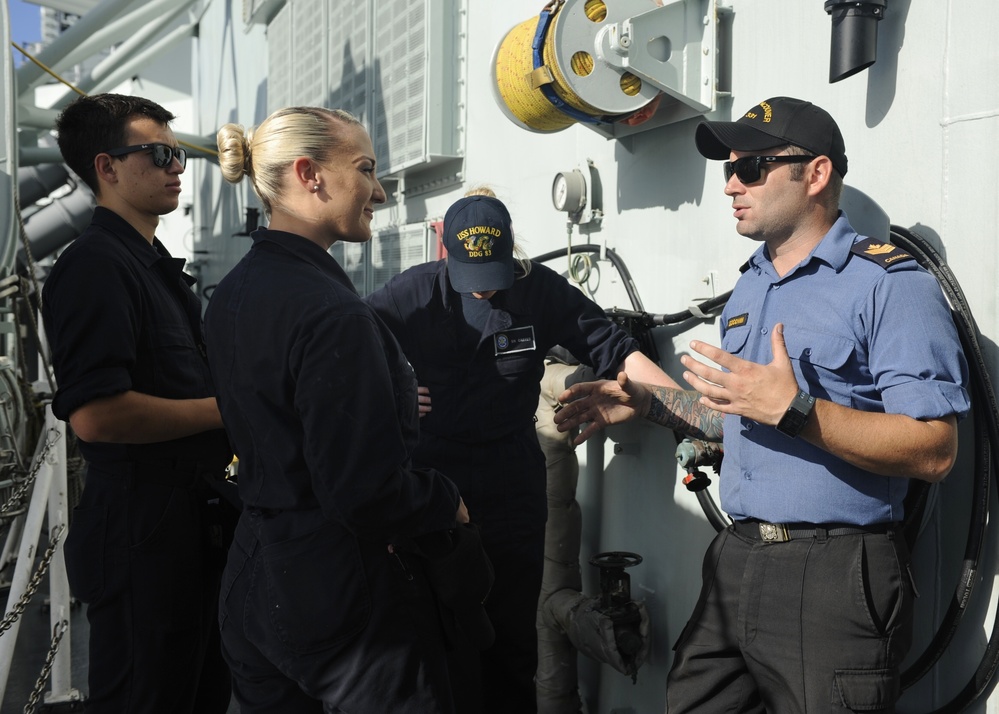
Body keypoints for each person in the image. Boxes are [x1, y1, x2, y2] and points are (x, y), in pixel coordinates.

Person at [552, 96, 971, 713]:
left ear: (817, 173)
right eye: (729, 168)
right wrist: (650, 403)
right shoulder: (751, 283)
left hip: (833, 570)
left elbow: (936, 449)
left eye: (751, 168)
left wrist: (795, 410)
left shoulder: (889, 285)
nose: (729, 186)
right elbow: (740, 421)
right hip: (738, 558)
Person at [364, 189, 679, 713]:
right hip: (432, 479)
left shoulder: (541, 293)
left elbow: (617, 350)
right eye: (471, 280)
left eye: (493, 277)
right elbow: (344, 351)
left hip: (511, 479)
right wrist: (389, 386)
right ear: (446, 252)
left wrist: (672, 406)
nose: (482, 291)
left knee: (511, 641)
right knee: (431, 634)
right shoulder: (411, 294)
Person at [207, 106, 473, 713]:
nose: (380, 190)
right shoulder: (333, 314)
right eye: (366, 169)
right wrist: (443, 499)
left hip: (255, 573)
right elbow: (364, 493)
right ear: (310, 174)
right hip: (340, 602)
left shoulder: (235, 293)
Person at [42, 93, 238, 713]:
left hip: (185, 527)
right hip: (141, 537)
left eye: (178, 154)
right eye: (159, 154)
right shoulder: (95, 269)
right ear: (107, 167)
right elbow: (97, 416)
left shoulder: (149, 267)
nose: (176, 166)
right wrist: (233, 409)